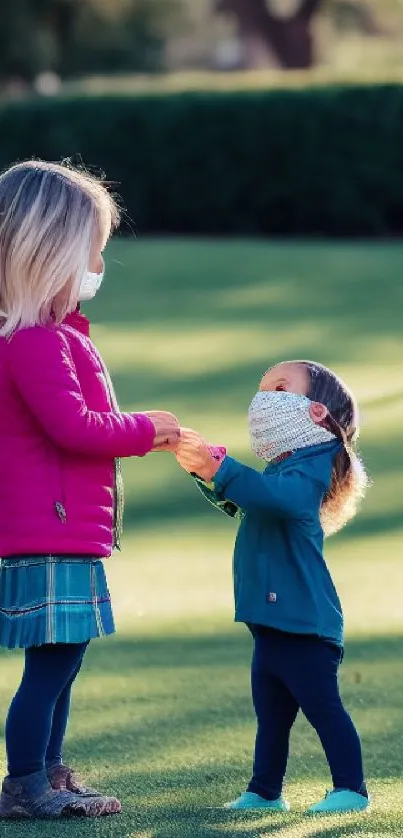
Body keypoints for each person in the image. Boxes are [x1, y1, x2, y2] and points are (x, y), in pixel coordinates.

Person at [0, 160, 180, 819]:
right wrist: (144, 429)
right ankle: (26, 783)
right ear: (51, 255)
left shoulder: (54, 338)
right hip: (48, 531)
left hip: (63, 529)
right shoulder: (35, 344)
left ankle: (44, 772)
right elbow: (74, 427)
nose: (97, 269)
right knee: (52, 664)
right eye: (92, 254)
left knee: (63, 661)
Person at [172, 360, 370, 815]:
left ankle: (352, 789)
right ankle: (265, 791)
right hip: (274, 621)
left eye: (280, 388)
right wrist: (207, 471)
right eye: (262, 388)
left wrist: (221, 468)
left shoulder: (311, 468)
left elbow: (272, 499)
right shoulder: (286, 468)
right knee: (272, 715)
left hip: (303, 623)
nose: (265, 398)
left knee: (323, 709)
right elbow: (254, 499)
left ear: (316, 411)